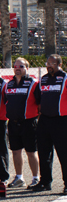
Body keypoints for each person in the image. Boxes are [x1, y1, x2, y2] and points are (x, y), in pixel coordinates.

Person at [2, 57, 40, 189]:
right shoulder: (9, 84)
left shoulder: (33, 83)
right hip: (13, 123)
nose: (18, 68)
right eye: (16, 66)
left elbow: (40, 105)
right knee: (16, 151)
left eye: (21, 66)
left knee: (31, 151)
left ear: (27, 68)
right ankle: (19, 178)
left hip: (29, 123)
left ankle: (35, 178)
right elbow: (6, 101)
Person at [33, 54, 67, 194]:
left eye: (52, 63)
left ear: (59, 64)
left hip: (61, 120)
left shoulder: (65, 77)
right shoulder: (44, 79)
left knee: (64, 153)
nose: (49, 65)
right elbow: (37, 98)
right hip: (45, 120)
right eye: (47, 63)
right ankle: (45, 181)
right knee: (43, 152)